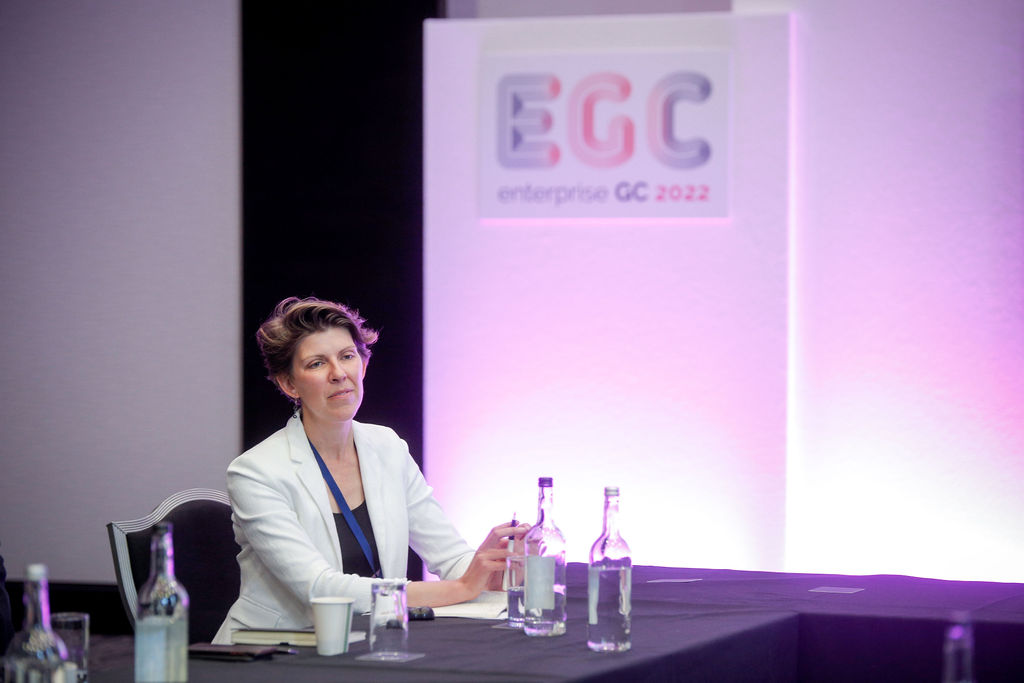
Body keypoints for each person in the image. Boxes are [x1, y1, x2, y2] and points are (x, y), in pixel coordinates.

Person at [213, 297, 523, 644]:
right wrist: (463, 587)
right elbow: (320, 589)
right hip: (272, 649)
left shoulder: (387, 447)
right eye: (317, 363)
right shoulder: (255, 472)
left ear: (363, 364)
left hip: (367, 643)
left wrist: (500, 567)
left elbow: (450, 557)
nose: (339, 373)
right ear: (289, 384)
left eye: (347, 356)